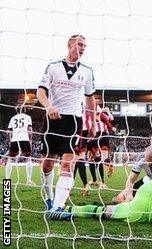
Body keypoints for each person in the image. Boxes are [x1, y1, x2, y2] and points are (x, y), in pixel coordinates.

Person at [37, 34, 97, 220]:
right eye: (79, 44)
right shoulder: (53, 66)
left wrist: (92, 121)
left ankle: (57, 207)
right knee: (48, 163)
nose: (82, 48)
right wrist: (49, 106)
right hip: (53, 119)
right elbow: (40, 92)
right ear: (70, 45)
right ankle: (49, 199)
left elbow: (89, 98)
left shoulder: (87, 71)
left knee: (67, 163)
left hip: (73, 120)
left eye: (85, 45)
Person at [87, 106, 116, 188]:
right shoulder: (104, 115)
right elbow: (111, 119)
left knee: (92, 159)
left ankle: (96, 180)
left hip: (95, 135)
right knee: (101, 159)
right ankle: (101, 180)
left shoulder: (91, 114)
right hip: (105, 136)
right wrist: (107, 111)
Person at [5, 105, 34, 185]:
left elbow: (9, 131)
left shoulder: (13, 118)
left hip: (15, 139)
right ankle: (29, 180)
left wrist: (10, 140)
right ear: (24, 110)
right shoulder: (27, 117)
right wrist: (30, 140)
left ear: (16, 110)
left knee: (10, 159)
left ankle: (7, 179)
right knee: (28, 159)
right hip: (24, 139)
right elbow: (30, 130)